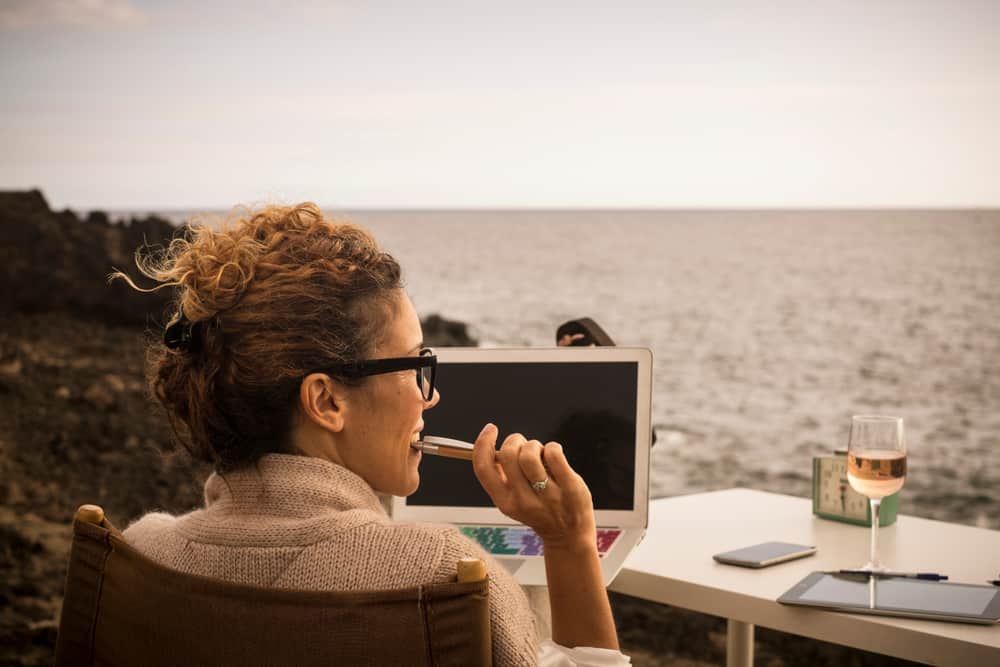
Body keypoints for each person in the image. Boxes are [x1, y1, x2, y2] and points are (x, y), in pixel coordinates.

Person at [110, 203, 630, 666]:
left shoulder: (138, 554)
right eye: (414, 365)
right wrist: (570, 543)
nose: (431, 396)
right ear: (326, 401)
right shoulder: (444, 575)